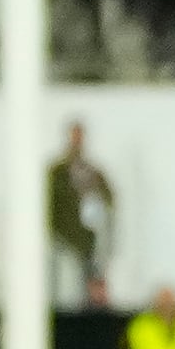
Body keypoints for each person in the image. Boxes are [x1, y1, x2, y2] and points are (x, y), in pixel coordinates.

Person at [45, 122, 116, 308]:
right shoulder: (57, 172)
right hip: (62, 240)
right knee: (62, 288)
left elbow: (108, 200)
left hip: (87, 241)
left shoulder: (93, 172)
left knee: (85, 291)